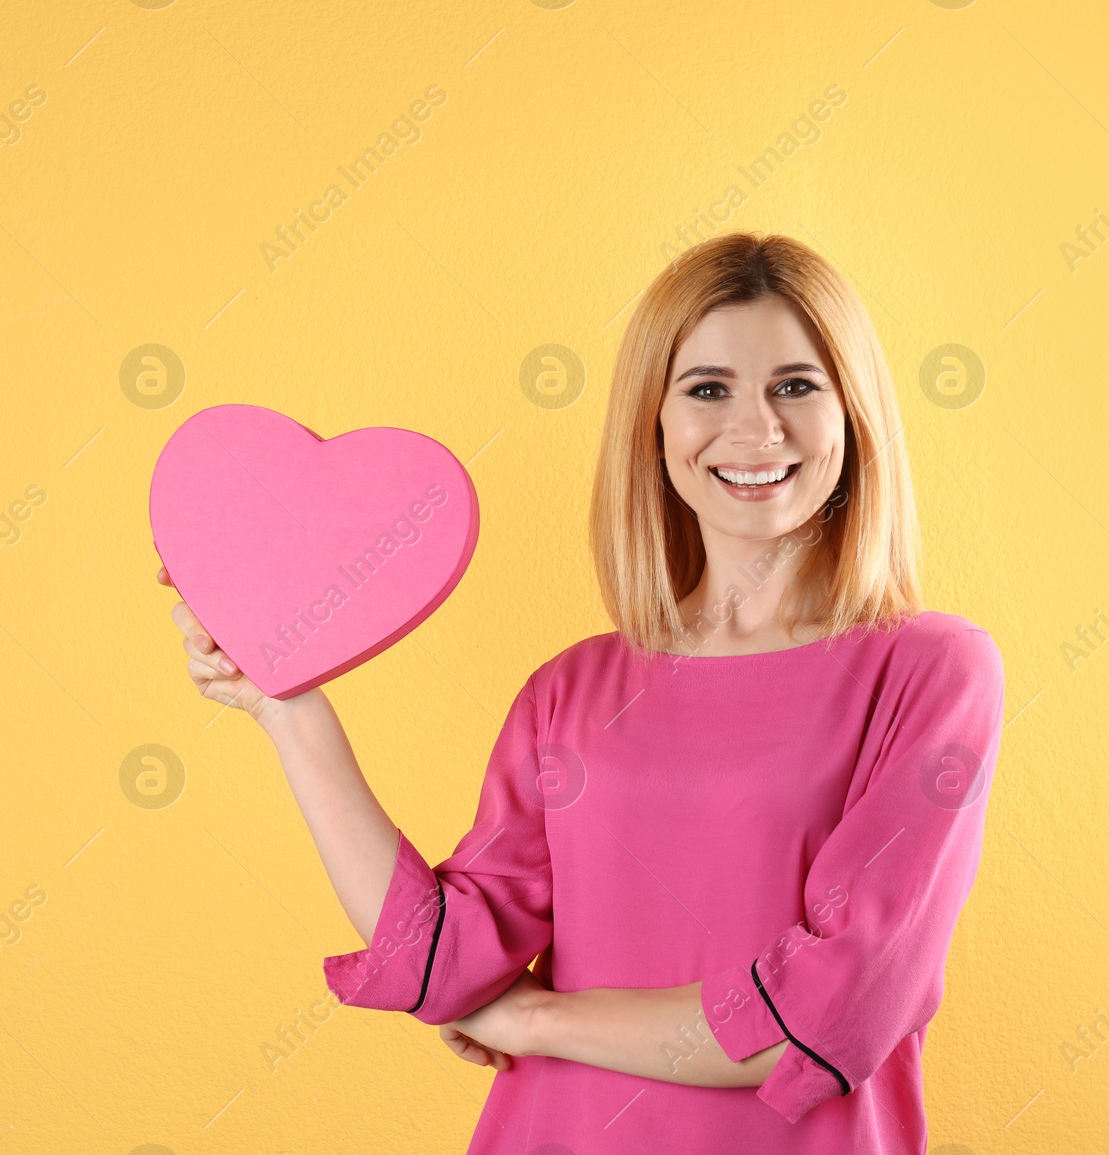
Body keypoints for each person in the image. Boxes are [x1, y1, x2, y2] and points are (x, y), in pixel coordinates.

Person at [158, 231, 1004, 1153]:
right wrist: (287, 708)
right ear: (654, 423)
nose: (757, 428)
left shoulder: (930, 671)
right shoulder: (572, 689)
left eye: (795, 385)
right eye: (707, 388)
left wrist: (534, 1021)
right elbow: (440, 959)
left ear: (856, 412)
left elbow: (833, 1004)